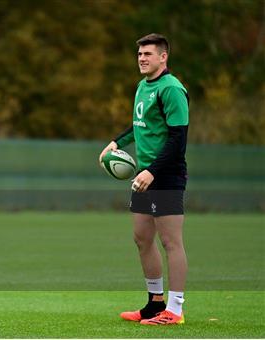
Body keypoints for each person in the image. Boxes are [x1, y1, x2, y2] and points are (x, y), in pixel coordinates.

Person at [99, 33, 189, 325]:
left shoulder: (172, 89)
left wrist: (153, 171)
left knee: (170, 241)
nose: (141, 58)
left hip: (166, 174)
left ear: (163, 57)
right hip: (144, 175)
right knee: (141, 237)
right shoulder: (142, 86)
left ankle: (174, 310)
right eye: (139, 54)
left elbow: (178, 139)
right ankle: (154, 304)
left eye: (148, 54)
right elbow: (139, 125)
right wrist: (116, 142)